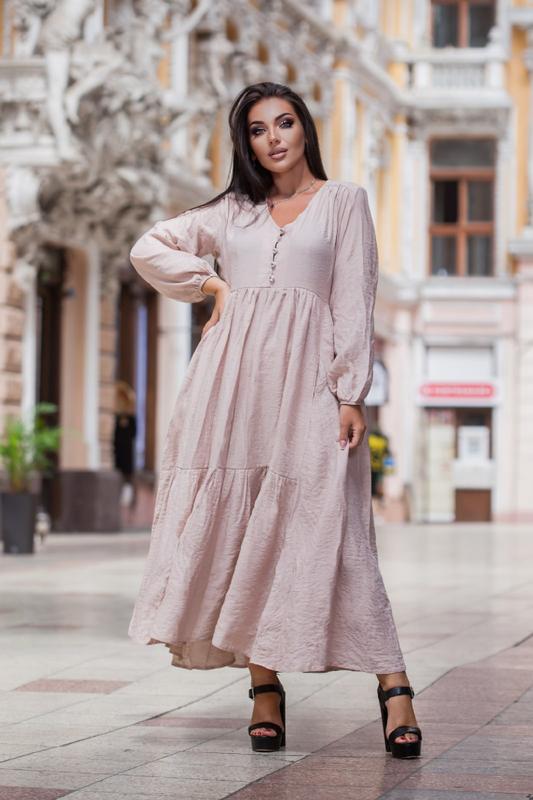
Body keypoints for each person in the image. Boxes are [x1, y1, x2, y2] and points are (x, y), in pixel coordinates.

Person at [127, 81, 422, 758]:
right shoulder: (232, 211)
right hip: (230, 390)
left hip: (311, 387)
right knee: (242, 530)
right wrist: (213, 284)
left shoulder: (344, 201)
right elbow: (150, 247)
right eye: (258, 130)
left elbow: (354, 297)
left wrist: (350, 393)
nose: (273, 139)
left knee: (337, 530)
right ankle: (264, 687)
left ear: (304, 128)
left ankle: (394, 685)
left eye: (283, 123)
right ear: (247, 145)